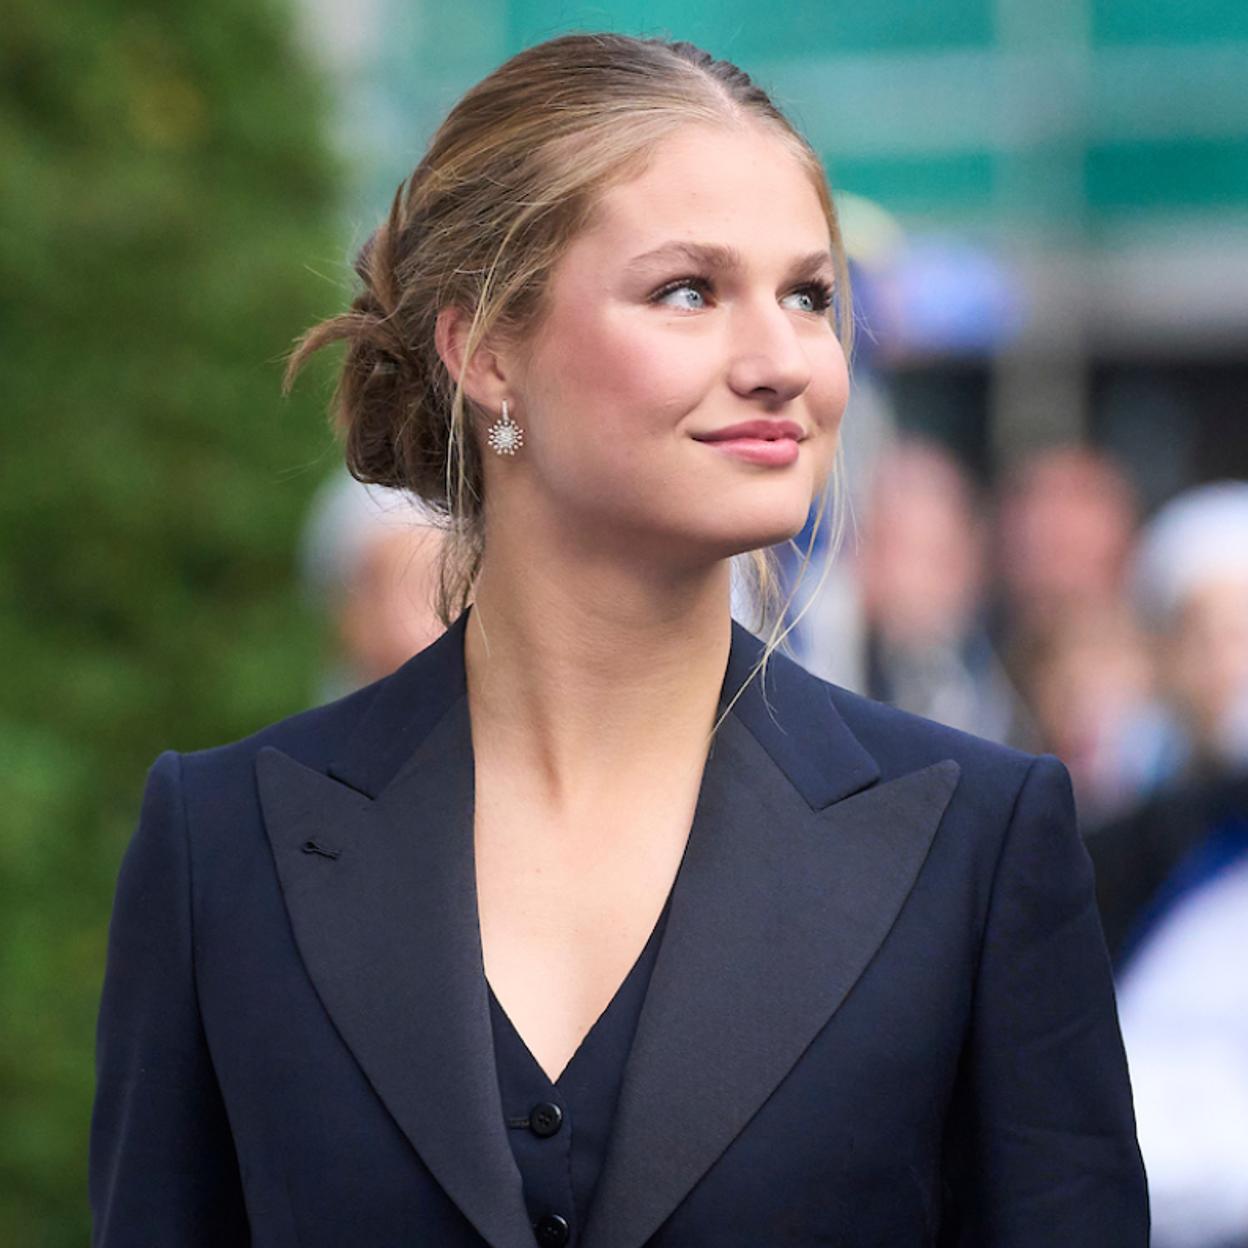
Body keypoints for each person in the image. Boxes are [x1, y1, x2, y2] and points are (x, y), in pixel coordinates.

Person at [89, 33, 1147, 1248]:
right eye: (688, 291)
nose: (782, 363)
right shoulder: (226, 846)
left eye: (809, 296)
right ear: (486, 351)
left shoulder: (979, 845)